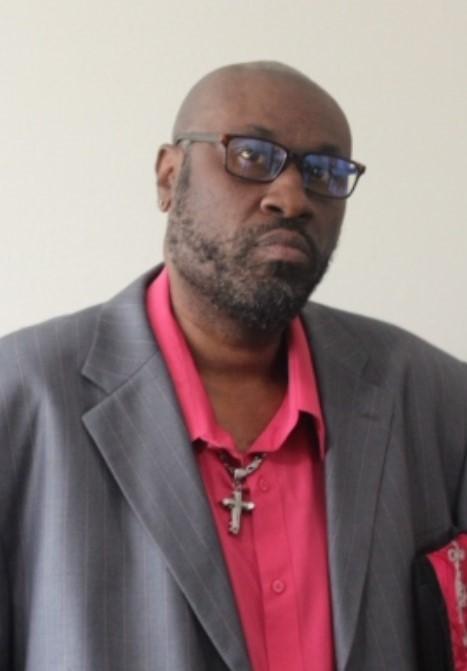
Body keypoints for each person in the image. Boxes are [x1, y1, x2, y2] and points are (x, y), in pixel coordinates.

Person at [0, 61, 466, 671]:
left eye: (324, 172)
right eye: (251, 156)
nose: (291, 198)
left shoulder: (438, 402)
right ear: (169, 177)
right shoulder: (21, 398)